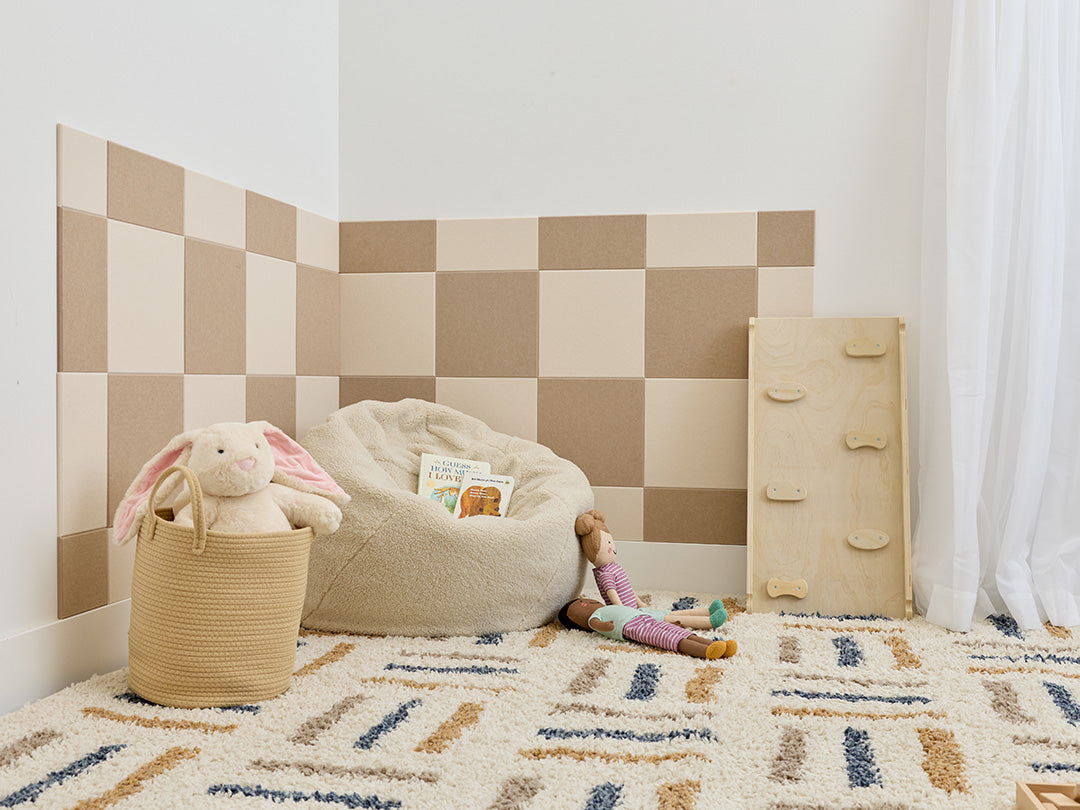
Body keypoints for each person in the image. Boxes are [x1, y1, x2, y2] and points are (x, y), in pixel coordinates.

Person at [576, 510, 728, 629]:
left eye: (611, 542)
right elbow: (613, 596)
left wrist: (640, 603)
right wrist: (624, 611)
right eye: (607, 543)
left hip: (636, 610)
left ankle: (708, 611)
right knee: (671, 619)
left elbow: (627, 588)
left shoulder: (614, 568)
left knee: (668, 613)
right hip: (630, 615)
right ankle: (709, 621)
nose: (612, 547)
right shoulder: (605, 574)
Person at [557, 597, 737, 659]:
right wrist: (606, 626)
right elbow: (596, 625)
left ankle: (715, 645)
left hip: (643, 618)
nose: (586, 603)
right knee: (672, 640)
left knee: (679, 631)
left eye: (584, 600)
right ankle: (705, 652)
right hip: (635, 628)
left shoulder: (605, 607)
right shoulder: (594, 618)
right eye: (580, 604)